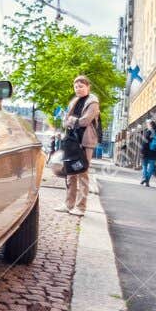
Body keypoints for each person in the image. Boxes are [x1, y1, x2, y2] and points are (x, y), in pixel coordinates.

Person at [59, 75, 101, 215]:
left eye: (81, 86)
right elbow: (64, 121)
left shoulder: (93, 102)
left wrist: (71, 120)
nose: (78, 89)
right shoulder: (74, 101)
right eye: (76, 86)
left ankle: (81, 207)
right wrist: (69, 120)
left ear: (88, 87)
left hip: (85, 140)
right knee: (70, 173)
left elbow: (85, 121)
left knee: (82, 172)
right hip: (72, 140)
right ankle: (68, 204)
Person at [139, 121, 156, 186]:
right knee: (151, 168)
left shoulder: (148, 132)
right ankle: (147, 182)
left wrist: (142, 152)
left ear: (150, 125)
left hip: (146, 152)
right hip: (154, 153)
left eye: (148, 125)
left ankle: (144, 178)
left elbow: (144, 143)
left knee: (144, 167)